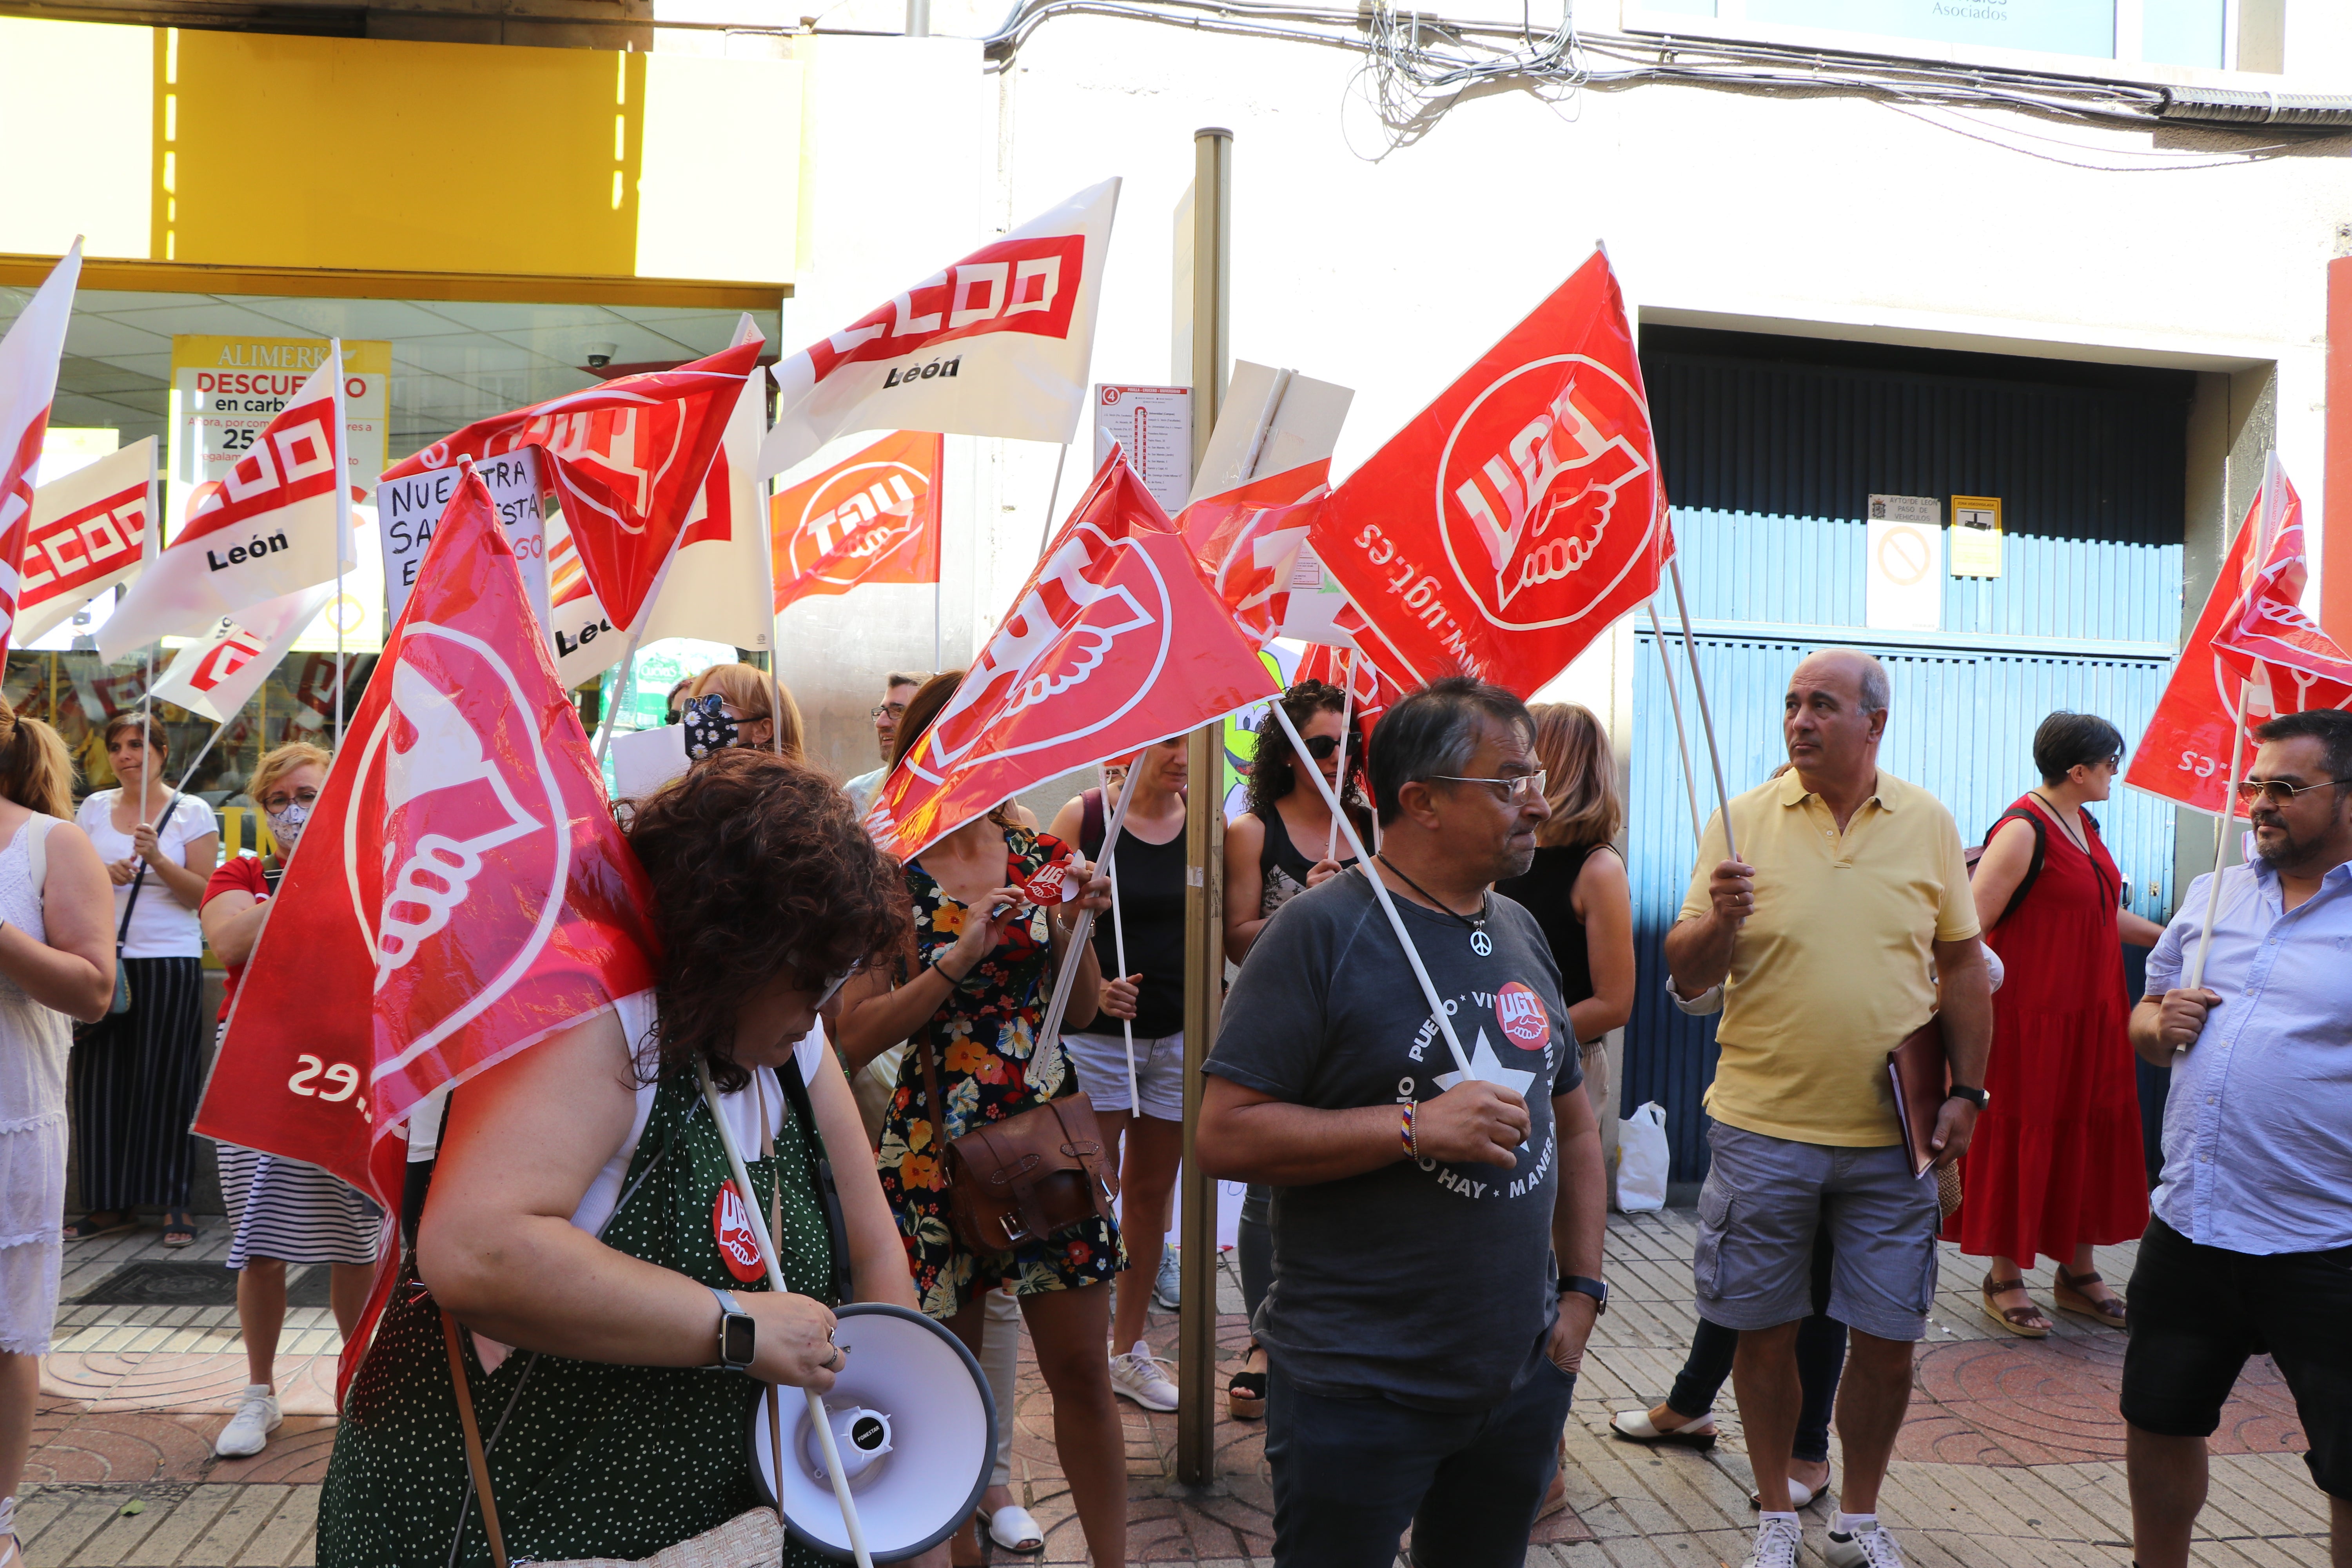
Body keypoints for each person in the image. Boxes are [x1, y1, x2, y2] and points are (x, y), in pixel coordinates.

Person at [318, 750, 925, 1567]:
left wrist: (909, 1479)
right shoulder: (600, 1012)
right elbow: (477, 1248)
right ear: (734, 951)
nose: (826, 1000)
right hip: (515, 1521)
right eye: (810, 973)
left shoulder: (790, 1036)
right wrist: (736, 1325)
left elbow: (875, 1246)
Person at [1198, 676, 1609, 1568]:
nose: (1535, 801)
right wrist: (1415, 1127)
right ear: (1419, 801)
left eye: (1532, 775)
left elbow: (1572, 1124)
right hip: (1356, 1387)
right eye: (1507, 781)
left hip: (1517, 1375)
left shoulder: (1519, 930)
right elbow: (1225, 1133)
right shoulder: (1316, 933)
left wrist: (1580, 1293)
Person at [1662, 648, 1992, 1568]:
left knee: (1889, 1339)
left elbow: (1963, 963)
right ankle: (1775, 1511)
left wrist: (1967, 1092)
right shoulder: (1741, 821)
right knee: (1762, 1334)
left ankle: (1858, 1512)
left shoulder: (1926, 820)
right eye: (1792, 704)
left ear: (1873, 723)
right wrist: (1720, 918)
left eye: (1823, 705)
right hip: (1762, 1128)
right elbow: (1685, 971)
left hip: (1894, 1140)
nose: (1800, 720)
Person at [835, 671, 1129, 1568]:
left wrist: (1078, 923)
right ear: (929, 742)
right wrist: (958, 959)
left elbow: (1073, 1011)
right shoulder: (885, 867)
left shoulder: (1035, 849)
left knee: (1082, 1369)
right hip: (933, 1147)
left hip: (1044, 1133)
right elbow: (851, 1032)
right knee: (950, 1392)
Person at [2123, 709, 2352, 1568]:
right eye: (2253, 784)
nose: (2259, 801)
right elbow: (2145, 1020)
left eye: (2286, 787)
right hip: (2192, 1225)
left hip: (2329, 1244)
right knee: (2157, 1418)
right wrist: (2157, 1022)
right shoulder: (2211, 897)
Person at [1952, 711, 2165, 1336]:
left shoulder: (2084, 822)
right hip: (2029, 1019)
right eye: (2108, 764)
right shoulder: (2022, 830)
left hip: (2091, 1014)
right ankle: (2005, 1276)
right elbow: (1968, 928)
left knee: (2087, 1130)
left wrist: (2174, 941)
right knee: (2024, 1130)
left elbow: (2103, 913)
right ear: (2078, 771)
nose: (2115, 773)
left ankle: (2077, 1272)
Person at [199, 743, 383, 1459]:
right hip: (257, 1067)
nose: (292, 811)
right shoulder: (243, 871)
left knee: (354, 1235)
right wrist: (309, 884)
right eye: (277, 801)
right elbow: (230, 938)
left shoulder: (372, 865)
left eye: (307, 794)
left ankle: (361, 1380)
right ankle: (258, 1392)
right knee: (260, 1240)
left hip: (342, 1066)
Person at [1218, 679, 1371, 1420]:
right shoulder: (1252, 831)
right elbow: (1234, 937)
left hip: (1363, 1028)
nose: (1338, 758)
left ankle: (1336, 1329)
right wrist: (1304, 910)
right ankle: (1262, 1340)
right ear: (1286, 752)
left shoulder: (1372, 825)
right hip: (1282, 1028)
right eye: (1321, 745)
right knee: (1268, 1187)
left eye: (1350, 745)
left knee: (1351, 1179)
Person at [0, 700, 118, 1568]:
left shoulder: (50, 842)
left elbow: (91, 988)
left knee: (4, 1334)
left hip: (9, 1121)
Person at [1049, 739, 1187, 1414]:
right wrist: (1097, 988)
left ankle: (1126, 1349)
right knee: (1089, 1192)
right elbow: (1047, 920)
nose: (1185, 753)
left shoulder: (1208, 826)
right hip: (1100, 1045)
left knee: (1151, 1196)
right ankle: (1079, 1352)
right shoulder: (1085, 817)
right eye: (1170, 740)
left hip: (1179, 1036)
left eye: (1194, 739)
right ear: (1133, 743)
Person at [67, 715, 221, 1247]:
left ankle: (174, 1198)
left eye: (137, 744)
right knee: (98, 1083)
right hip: (102, 959)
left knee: (167, 1079)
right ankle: (109, 1203)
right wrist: (99, 873)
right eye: (115, 747)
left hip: (168, 958)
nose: (126, 755)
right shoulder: (92, 808)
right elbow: (69, 879)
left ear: (161, 751)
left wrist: (157, 858)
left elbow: (203, 895)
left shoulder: (192, 811)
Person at [1493, 702, 1635, 1125]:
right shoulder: (1515, 856)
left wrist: (1521, 1036)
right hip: (1507, 1051)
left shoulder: (1599, 868)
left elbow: (1613, 1004)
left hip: (1566, 1059)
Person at [681, 662, 804, 759]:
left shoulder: (781, 791)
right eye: (692, 704)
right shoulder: (688, 788)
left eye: (714, 702)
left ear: (762, 731)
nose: (696, 713)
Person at [844, 672, 927, 813]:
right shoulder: (857, 794)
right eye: (881, 712)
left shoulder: (954, 793)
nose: (881, 723)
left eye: (898, 711)